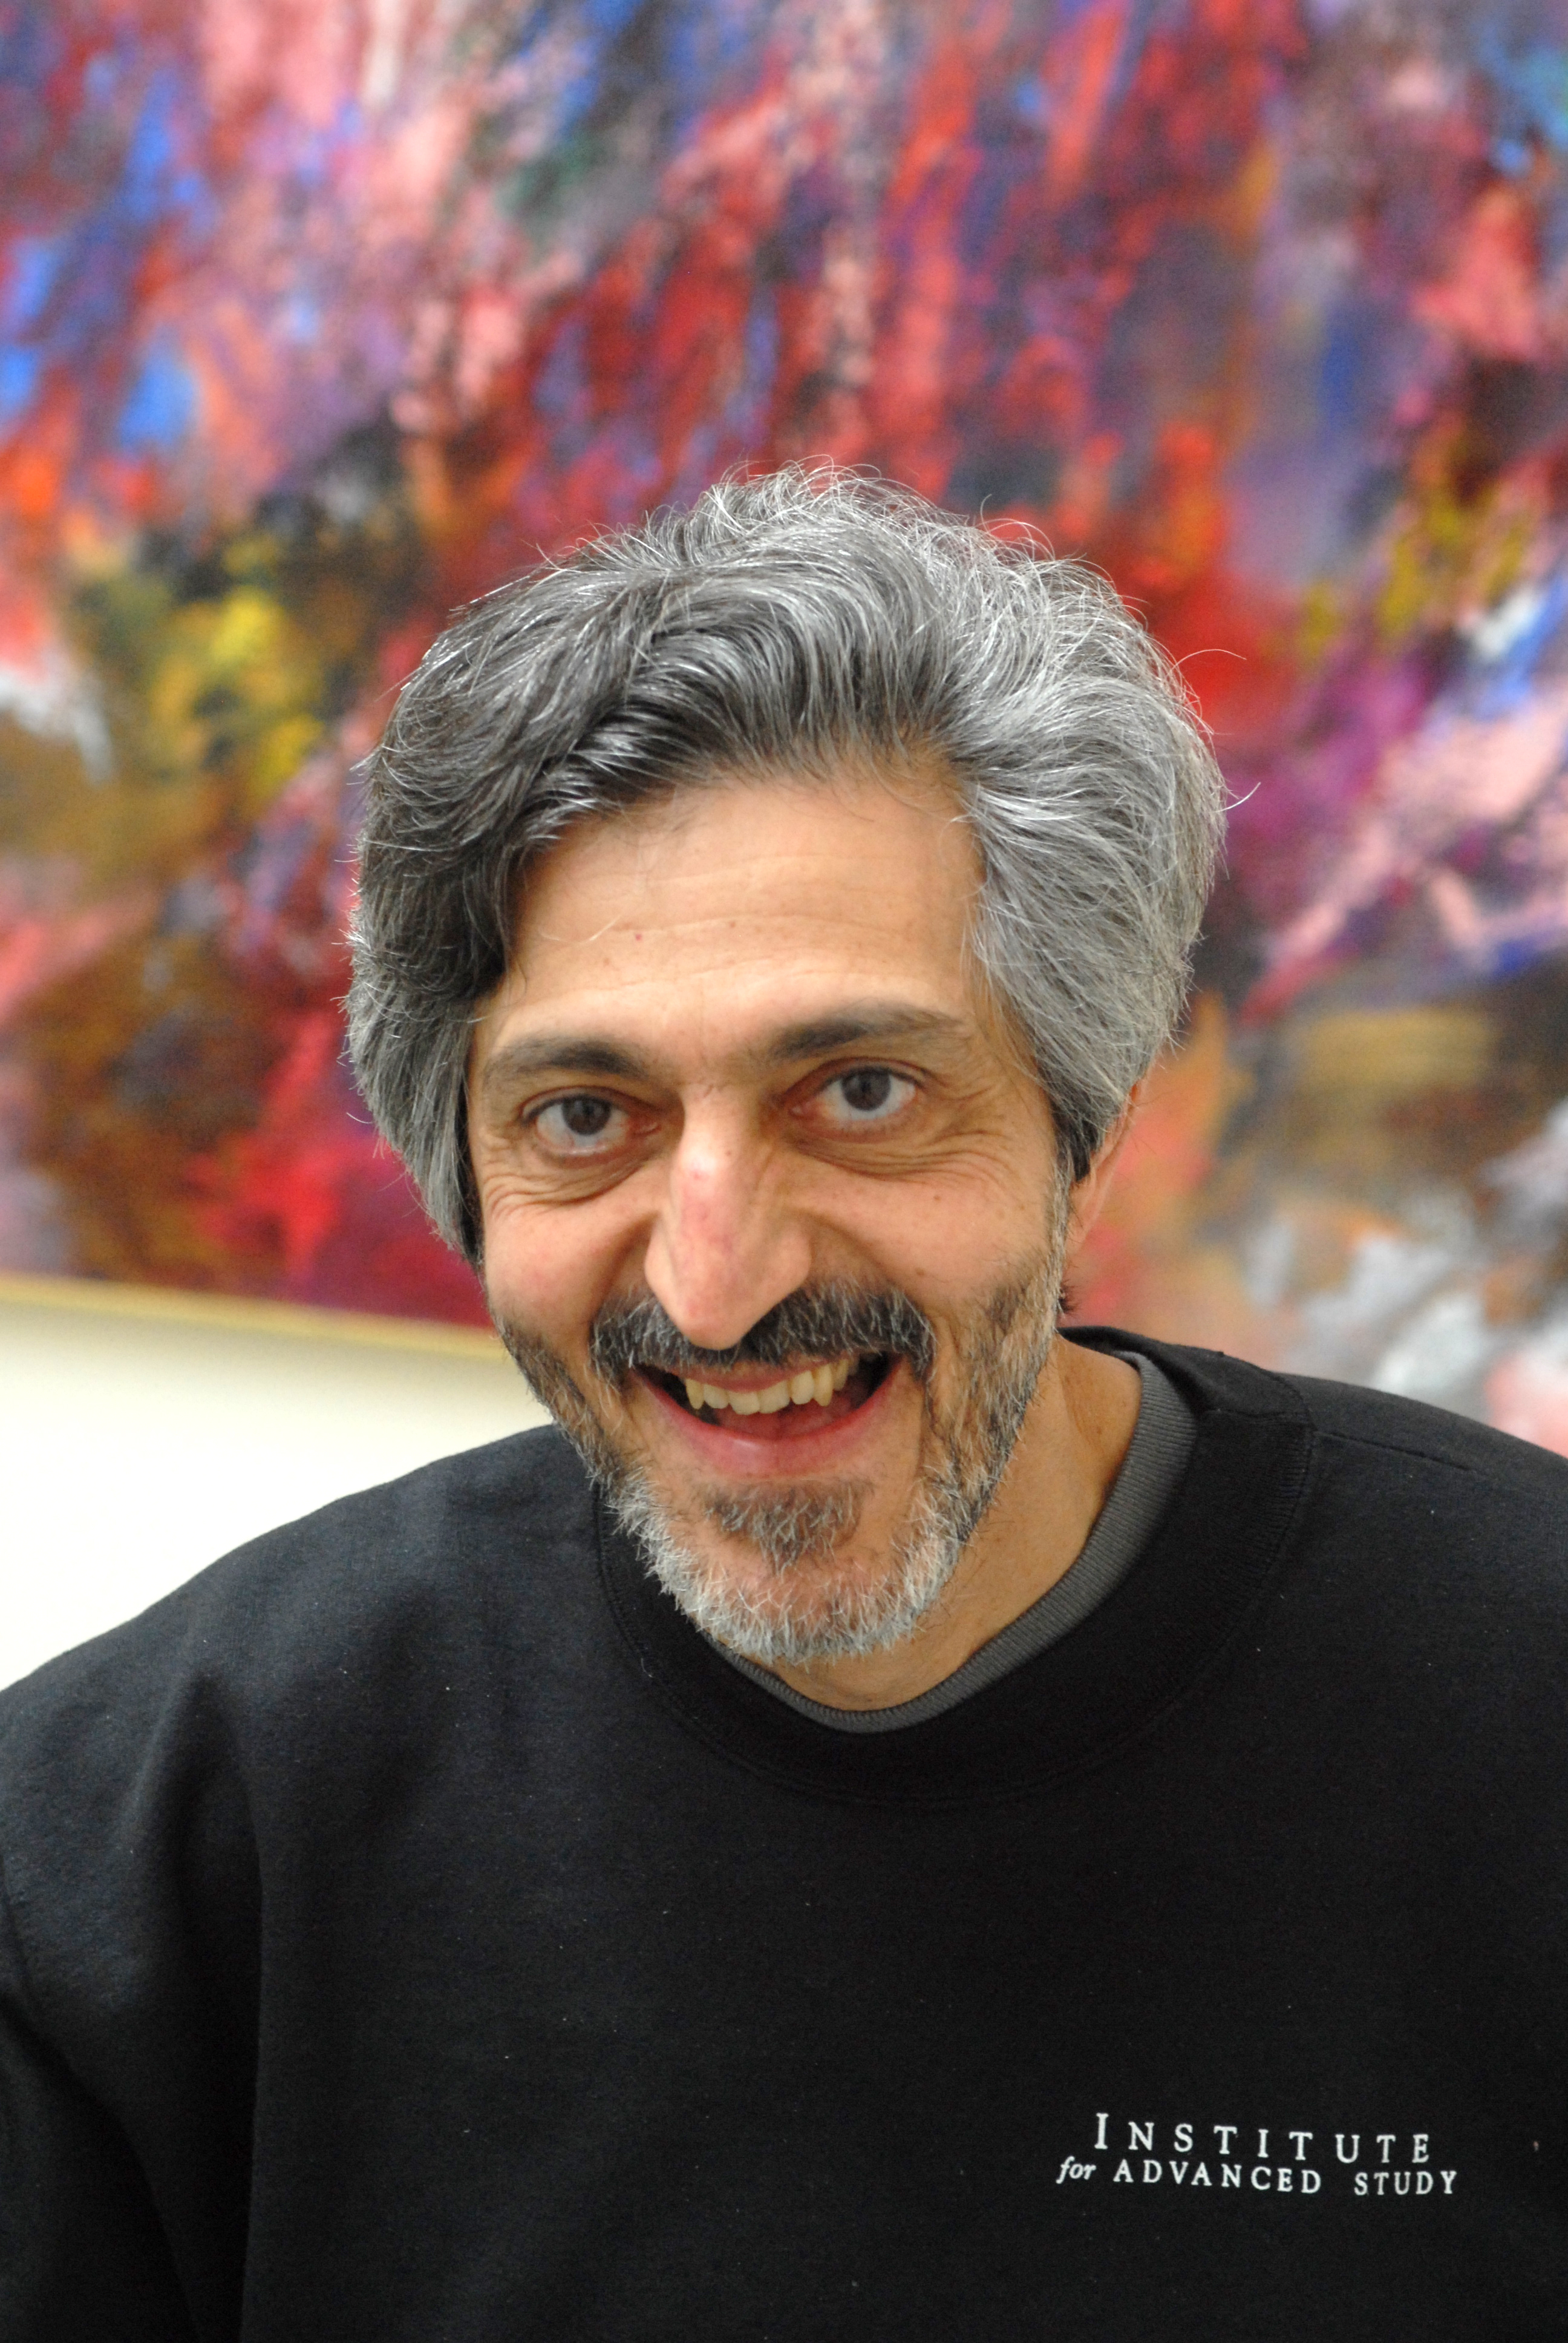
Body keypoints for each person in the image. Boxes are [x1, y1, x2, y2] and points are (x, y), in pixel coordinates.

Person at [2, 470, 1564, 2341]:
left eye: (862, 1092)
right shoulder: (133, 1852)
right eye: (586, 1117)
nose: (715, 1284)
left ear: (1080, 1122)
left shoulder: (1521, 1698)